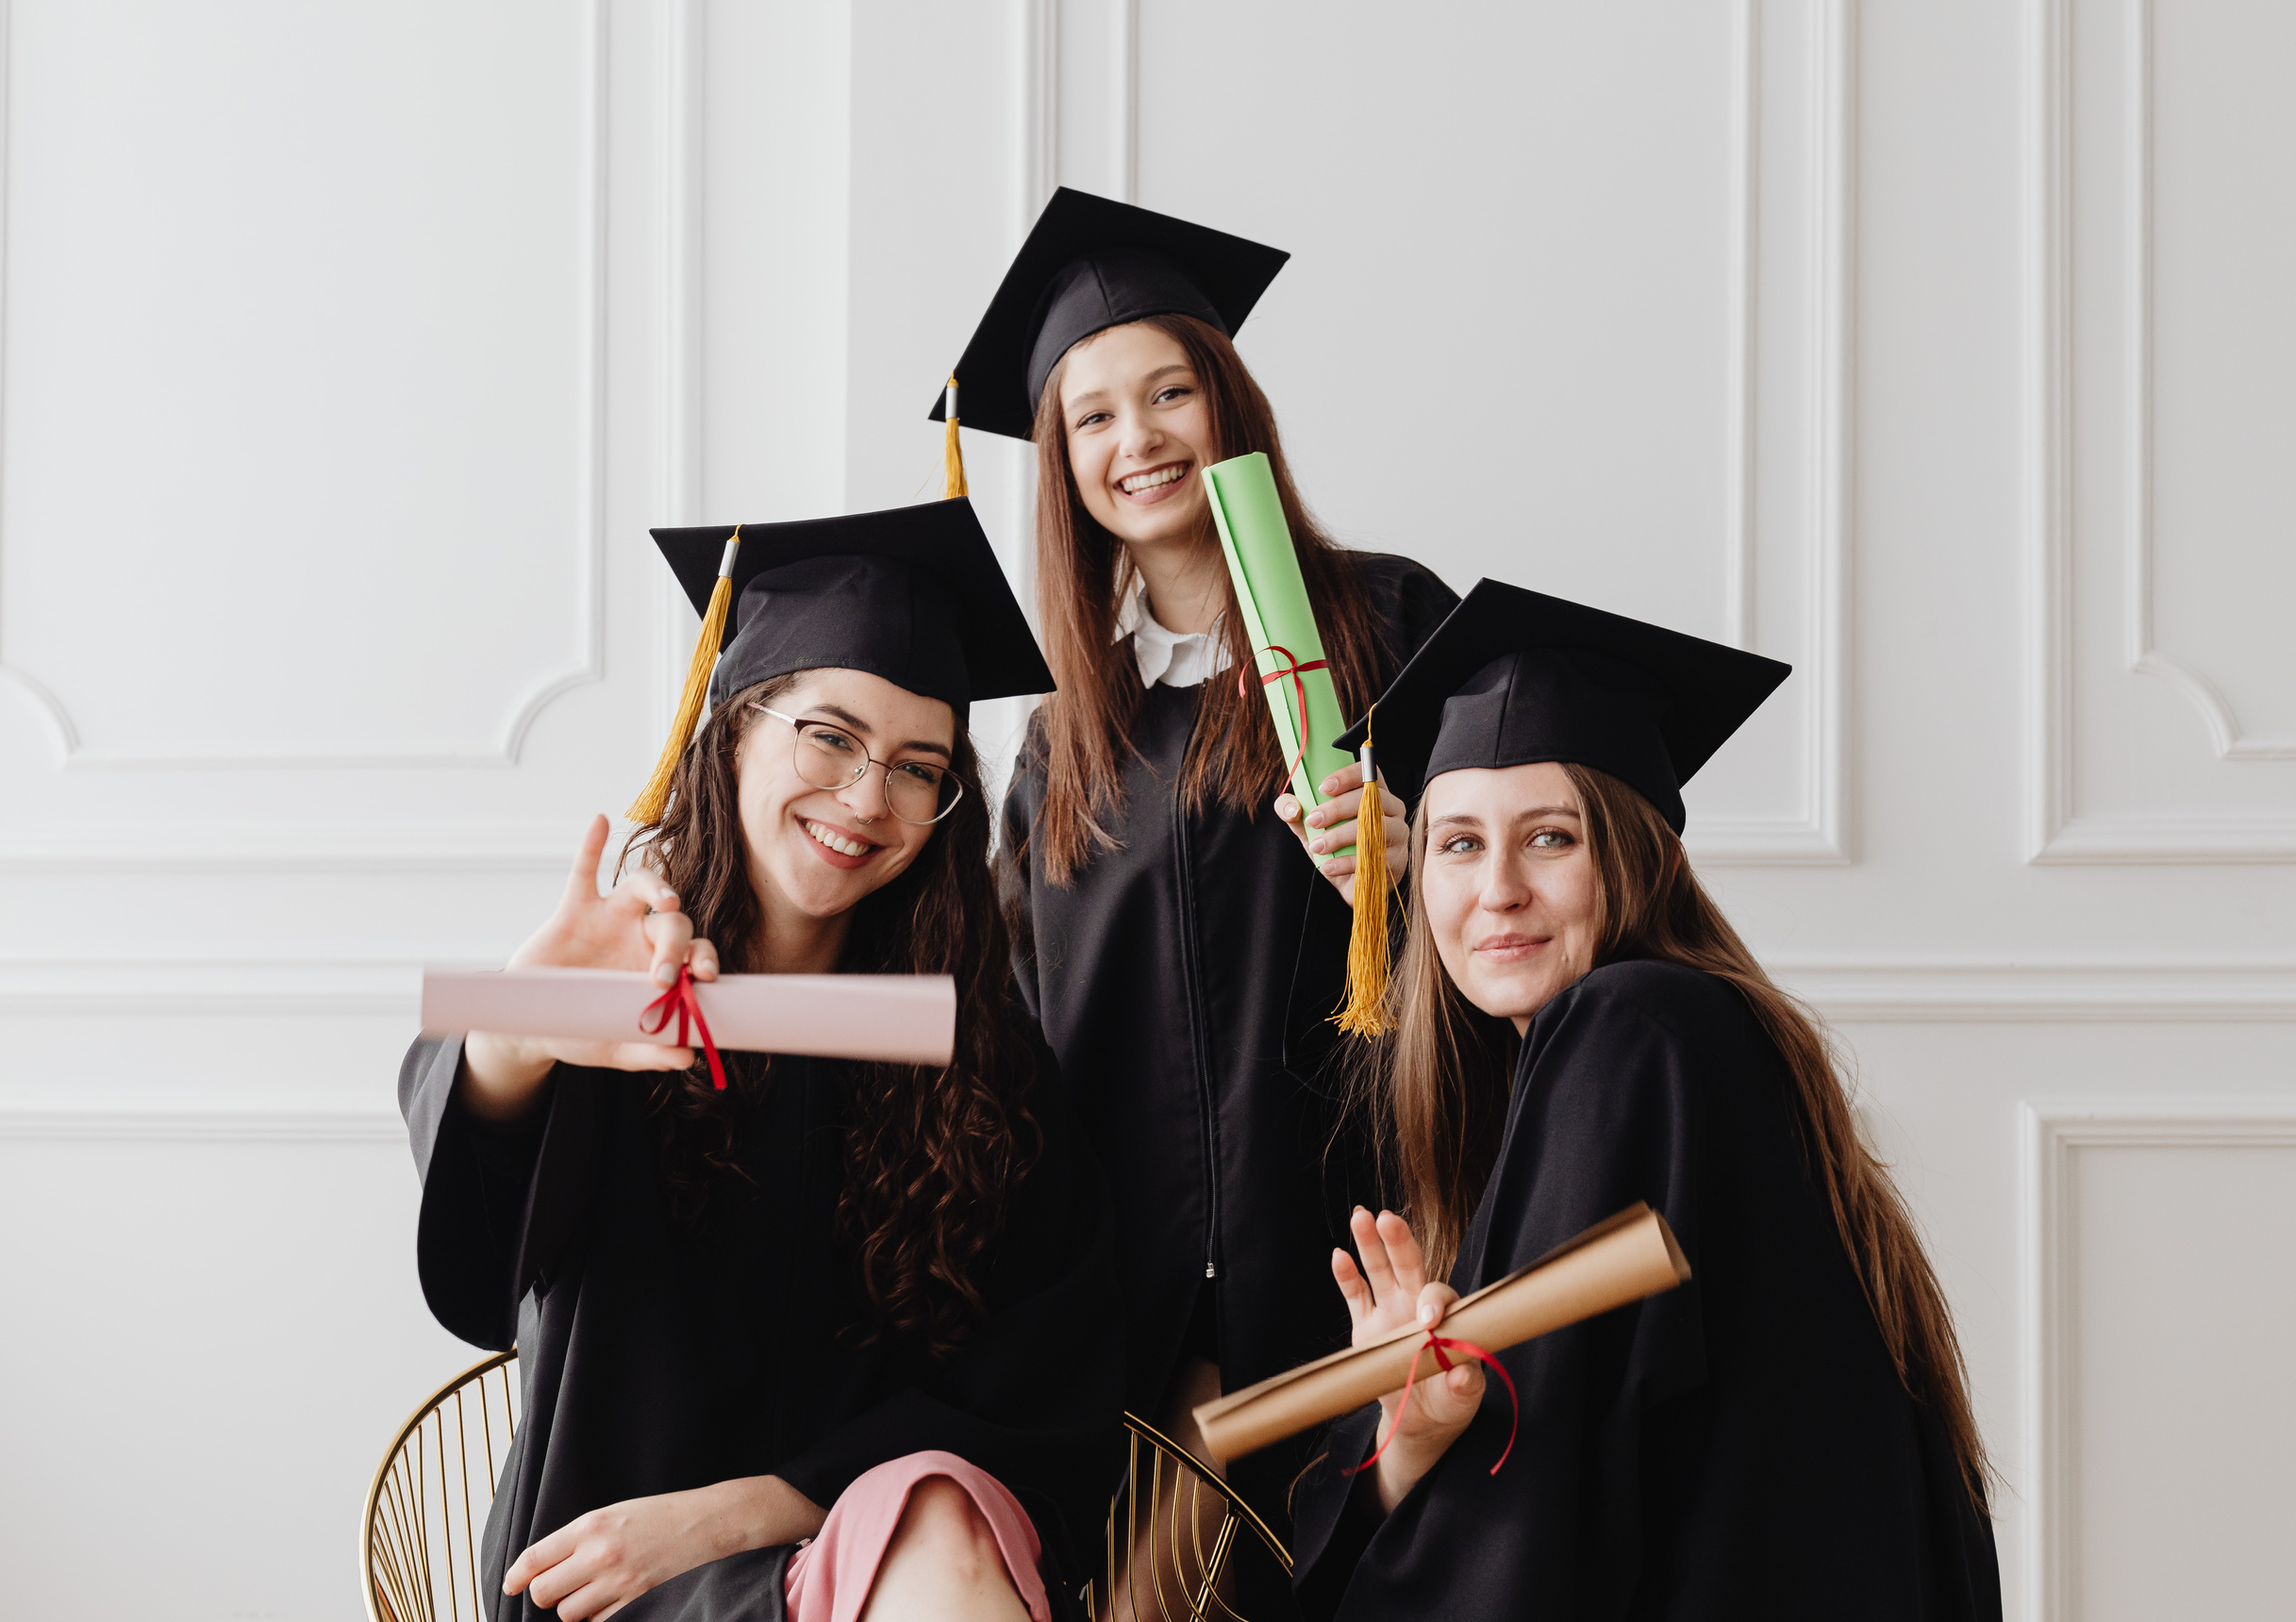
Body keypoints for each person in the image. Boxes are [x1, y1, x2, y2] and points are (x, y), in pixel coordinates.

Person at [400, 502, 1123, 1622]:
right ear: (734, 725)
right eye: (829, 737)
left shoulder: (979, 1058)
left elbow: (1042, 1386)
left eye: (917, 767)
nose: (866, 799)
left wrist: (745, 1509)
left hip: (883, 1569)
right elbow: (478, 1269)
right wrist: (522, 1029)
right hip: (619, 1586)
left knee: (932, 1513)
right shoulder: (621, 995)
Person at [1289, 578, 2002, 1619]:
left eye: (1550, 837)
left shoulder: (1632, 1029)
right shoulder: (1699, 1037)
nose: (1497, 891)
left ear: (1633, 852)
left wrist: (1414, 1461)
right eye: (1458, 843)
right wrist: (1417, 1433)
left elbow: (1541, 1488)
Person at [935, 187, 1461, 1578]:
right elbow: (1015, 1028)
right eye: (1092, 417)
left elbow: (1548, 900)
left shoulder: (1393, 627)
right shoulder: (1062, 741)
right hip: (1138, 1314)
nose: (1137, 440)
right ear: (1059, 463)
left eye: (1168, 391)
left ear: (1229, 406)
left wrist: (1414, 875)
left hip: (1370, 1258)